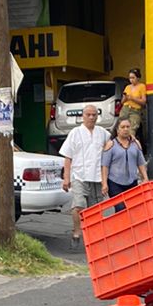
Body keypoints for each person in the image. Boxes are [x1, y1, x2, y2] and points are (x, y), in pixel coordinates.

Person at [61, 102, 111, 249]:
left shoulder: (102, 132)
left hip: (96, 176)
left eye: (94, 115)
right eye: (88, 115)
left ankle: (94, 237)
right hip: (79, 175)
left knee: (95, 210)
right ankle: (76, 232)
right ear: (82, 116)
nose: (91, 117)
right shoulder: (75, 133)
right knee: (78, 206)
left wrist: (132, 139)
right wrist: (66, 178)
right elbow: (68, 156)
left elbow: (113, 143)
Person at [103, 119, 148, 194]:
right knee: (121, 206)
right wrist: (104, 183)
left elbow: (140, 163)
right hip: (115, 182)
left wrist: (145, 178)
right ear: (117, 129)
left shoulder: (135, 144)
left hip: (132, 182)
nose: (125, 129)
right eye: (123, 127)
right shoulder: (111, 145)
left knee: (132, 205)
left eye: (128, 127)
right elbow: (105, 165)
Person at [121, 69, 147, 140]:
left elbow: (143, 102)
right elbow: (122, 102)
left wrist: (132, 98)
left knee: (132, 130)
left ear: (138, 78)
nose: (131, 80)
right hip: (125, 109)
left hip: (135, 111)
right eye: (130, 78)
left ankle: (129, 146)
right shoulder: (127, 87)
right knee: (121, 128)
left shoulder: (142, 86)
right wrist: (125, 97)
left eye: (133, 78)